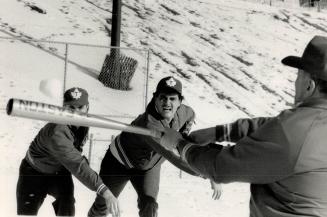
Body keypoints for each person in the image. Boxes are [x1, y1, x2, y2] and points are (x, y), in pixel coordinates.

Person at [159, 35, 327, 217]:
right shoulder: (310, 124)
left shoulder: (295, 131)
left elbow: (220, 167)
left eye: (298, 76)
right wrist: (219, 132)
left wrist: (180, 145)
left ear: (309, 86)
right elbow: (270, 127)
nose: (295, 83)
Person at [88, 76, 222, 217]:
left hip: (148, 167)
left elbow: (190, 119)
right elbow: (175, 157)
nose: (167, 103)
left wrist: (183, 135)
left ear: (180, 102)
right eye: (163, 98)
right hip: (119, 163)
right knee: (103, 205)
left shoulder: (185, 112)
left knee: (150, 205)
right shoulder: (149, 125)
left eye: (172, 99)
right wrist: (208, 173)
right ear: (155, 99)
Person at [16, 87, 120, 217]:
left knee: (67, 206)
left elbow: (74, 154)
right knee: (26, 214)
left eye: (80, 107)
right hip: (33, 172)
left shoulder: (83, 124)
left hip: (59, 172)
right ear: (64, 108)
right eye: (71, 108)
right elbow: (77, 164)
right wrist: (104, 191)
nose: (76, 112)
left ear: (87, 107)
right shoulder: (57, 131)